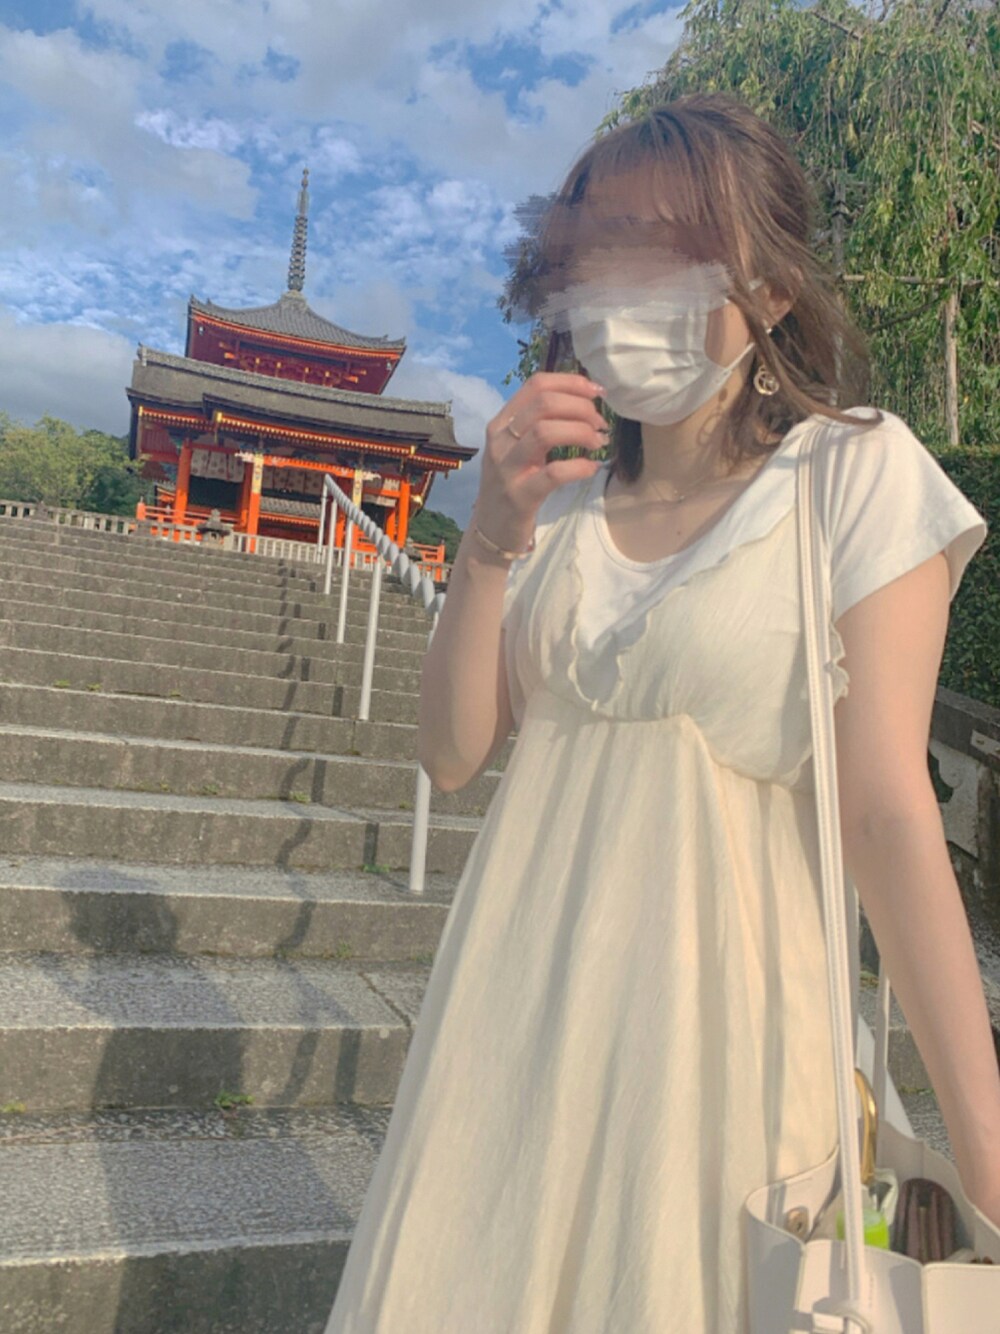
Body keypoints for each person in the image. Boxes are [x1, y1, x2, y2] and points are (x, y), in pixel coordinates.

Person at [324, 94, 998, 1332]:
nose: (627, 299)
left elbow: (888, 814)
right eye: (600, 263)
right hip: (509, 1030)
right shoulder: (559, 515)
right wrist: (490, 535)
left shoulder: (852, 472)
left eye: (670, 260)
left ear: (772, 291)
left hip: (731, 1051)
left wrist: (987, 1149)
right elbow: (453, 753)